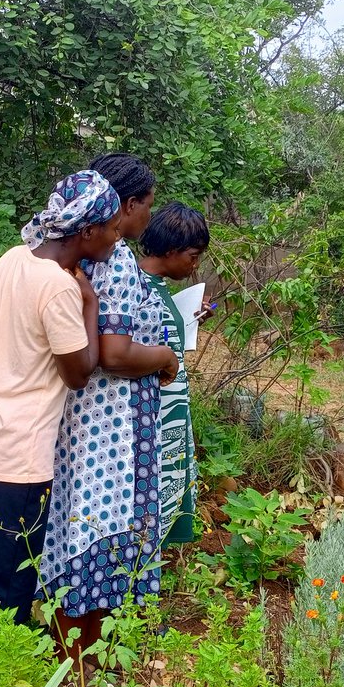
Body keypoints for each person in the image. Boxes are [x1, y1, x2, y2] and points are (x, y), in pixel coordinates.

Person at [0, 170, 122, 624]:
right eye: (114, 228)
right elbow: (78, 373)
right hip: (19, 463)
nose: (117, 240)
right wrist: (91, 305)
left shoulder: (11, 260)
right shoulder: (59, 287)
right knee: (5, 584)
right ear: (88, 231)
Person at [38, 152, 178, 666]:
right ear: (129, 205)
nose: (147, 220)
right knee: (95, 531)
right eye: (147, 206)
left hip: (97, 423)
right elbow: (114, 353)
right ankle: (78, 663)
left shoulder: (91, 256)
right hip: (108, 426)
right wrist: (165, 356)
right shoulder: (115, 262)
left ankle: (80, 657)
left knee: (82, 528)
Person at [137, 202, 212, 547]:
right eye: (193, 256)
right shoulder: (136, 288)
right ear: (170, 250)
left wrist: (187, 319)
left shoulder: (159, 289)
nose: (195, 265)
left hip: (169, 414)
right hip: (152, 417)